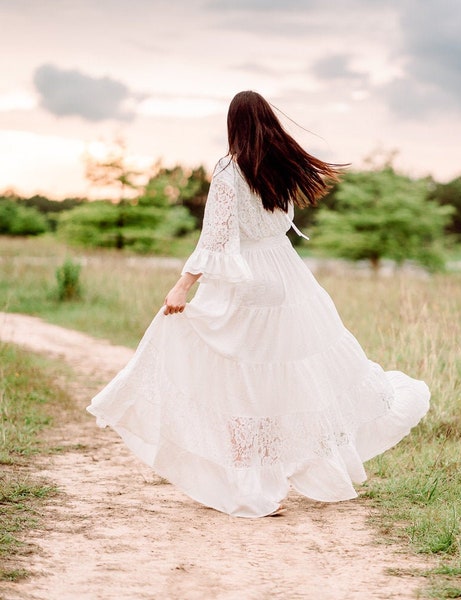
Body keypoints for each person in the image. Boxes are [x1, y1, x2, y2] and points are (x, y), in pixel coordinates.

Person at [87, 90, 430, 518]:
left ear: (234, 125)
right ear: (268, 122)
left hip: (246, 281)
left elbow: (215, 237)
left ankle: (254, 485)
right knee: (283, 376)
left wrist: (183, 286)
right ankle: (281, 470)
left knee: (240, 382)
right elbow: (281, 225)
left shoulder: (230, 169)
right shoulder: (280, 167)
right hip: (286, 278)